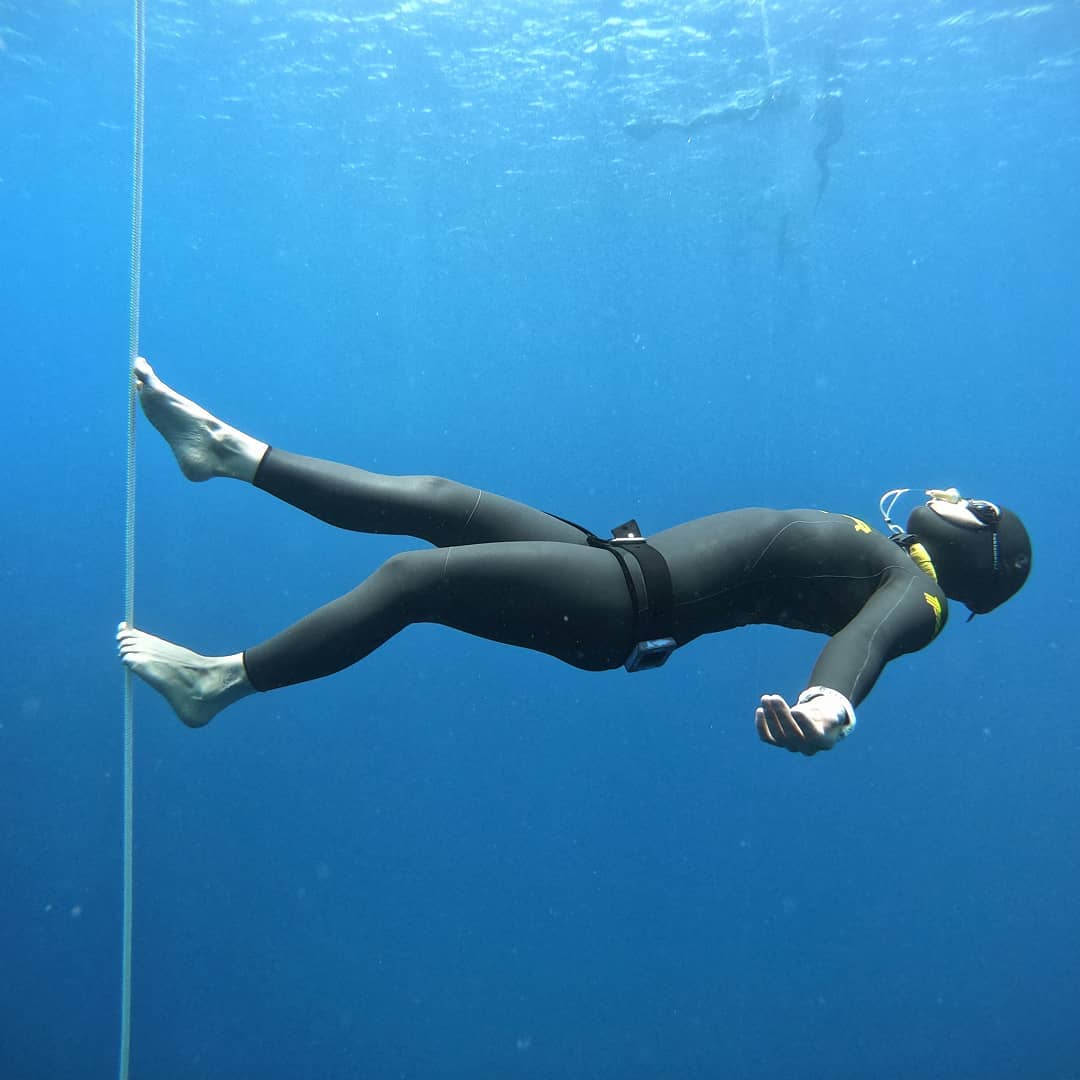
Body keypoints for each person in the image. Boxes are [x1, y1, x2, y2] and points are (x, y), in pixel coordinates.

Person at [117, 359, 1032, 756]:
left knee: (409, 582)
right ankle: (224, 451)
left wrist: (827, 708)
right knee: (434, 499)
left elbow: (870, 643)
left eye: (970, 503)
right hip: (617, 568)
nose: (949, 492)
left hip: (618, 605)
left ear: (981, 545)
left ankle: (217, 685)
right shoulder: (894, 554)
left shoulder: (917, 594)